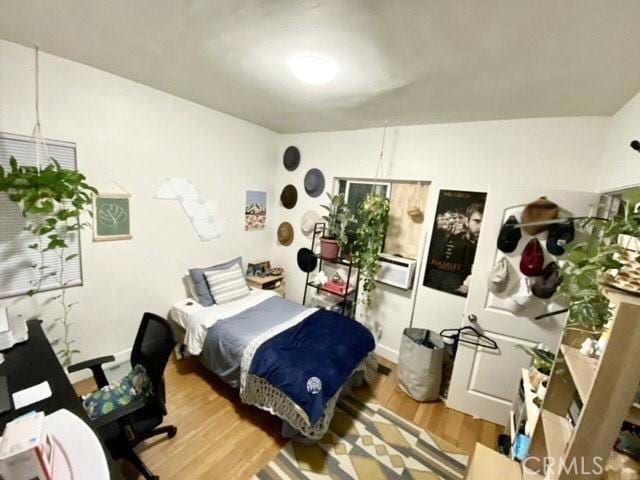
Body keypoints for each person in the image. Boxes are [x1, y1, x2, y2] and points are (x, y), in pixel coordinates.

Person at [425, 202, 484, 296]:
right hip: (439, 287)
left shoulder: (486, 246)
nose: (481, 227)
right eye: (477, 221)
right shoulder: (454, 239)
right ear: (467, 221)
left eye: (484, 222)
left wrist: (468, 285)